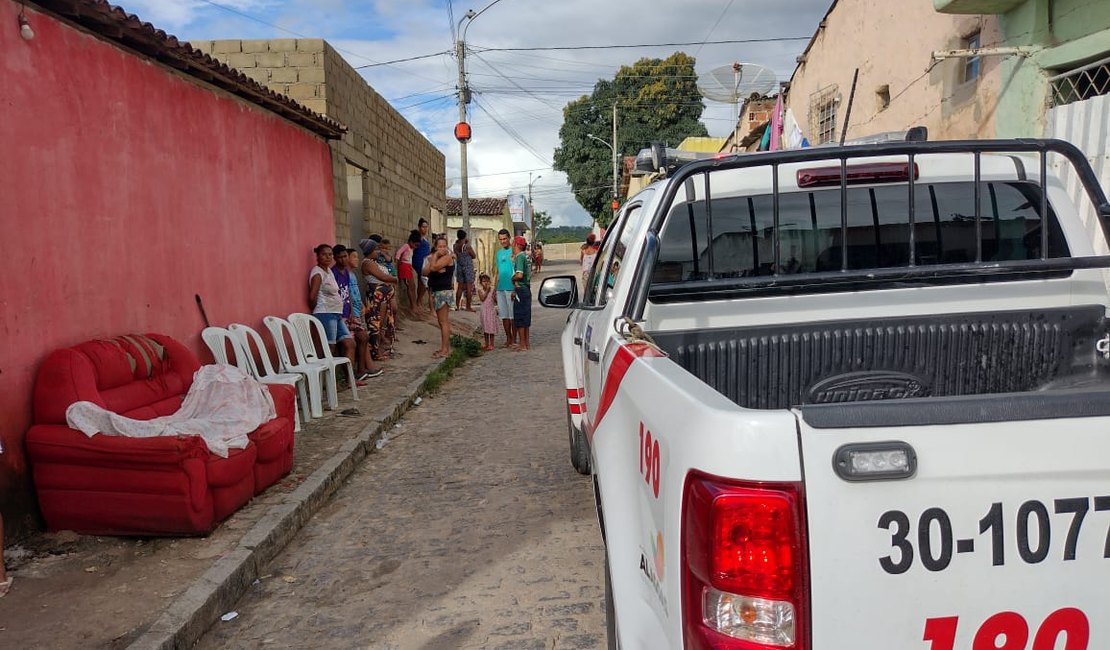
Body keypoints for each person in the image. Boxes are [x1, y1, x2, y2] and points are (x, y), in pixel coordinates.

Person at [308, 244, 365, 386]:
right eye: (324, 254)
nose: (328, 257)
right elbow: (312, 297)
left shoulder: (328, 271)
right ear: (318, 256)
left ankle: (349, 379)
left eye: (329, 254)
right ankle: (327, 383)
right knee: (330, 348)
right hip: (326, 313)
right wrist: (320, 311)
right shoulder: (317, 273)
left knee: (349, 343)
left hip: (336, 314)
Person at [360, 237, 399, 362]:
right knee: (375, 325)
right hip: (376, 299)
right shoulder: (367, 263)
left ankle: (378, 350)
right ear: (370, 250)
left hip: (381, 299)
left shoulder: (373, 261)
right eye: (376, 249)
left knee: (379, 324)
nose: (378, 252)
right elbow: (382, 276)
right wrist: (394, 279)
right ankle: (374, 352)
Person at [423, 235, 455, 358]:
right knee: (441, 322)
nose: (442, 248)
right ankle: (443, 348)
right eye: (439, 246)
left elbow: (433, 267)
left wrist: (434, 258)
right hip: (436, 291)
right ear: (435, 247)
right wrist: (433, 264)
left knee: (443, 321)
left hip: (443, 292)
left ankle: (445, 350)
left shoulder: (447, 258)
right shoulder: (434, 258)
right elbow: (425, 271)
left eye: (444, 246)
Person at [492, 228, 516, 347]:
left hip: (511, 288)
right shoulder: (498, 253)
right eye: (500, 239)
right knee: (504, 316)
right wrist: (494, 288)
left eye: (505, 239)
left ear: (509, 238)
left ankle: (514, 339)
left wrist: (516, 289)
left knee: (512, 316)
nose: (503, 241)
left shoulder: (514, 251)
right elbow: (497, 272)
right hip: (500, 288)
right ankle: (508, 338)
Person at [511, 235, 533, 351]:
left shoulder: (520, 257)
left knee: (519, 317)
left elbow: (519, 275)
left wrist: (513, 279)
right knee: (526, 317)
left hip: (521, 289)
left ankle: (522, 344)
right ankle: (526, 343)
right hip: (527, 289)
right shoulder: (526, 257)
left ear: (517, 245)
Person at [394, 229, 421, 318]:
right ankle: (413, 306)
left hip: (408, 266)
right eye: (415, 245)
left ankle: (414, 305)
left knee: (413, 286)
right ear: (411, 242)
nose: (416, 247)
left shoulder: (411, 248)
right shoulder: (406, 246)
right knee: (410, 286)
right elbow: (398, 254)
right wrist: (397, 268)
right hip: (404, 266)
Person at [453, 229, 477, 311]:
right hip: (468, 267)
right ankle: (468, 306)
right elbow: (474, 256)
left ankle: (457, 306)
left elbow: (456, 254)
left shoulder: (455, 245)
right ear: (465, 236)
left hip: (459, 266)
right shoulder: (467, 246)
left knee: (460, 287)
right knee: (469, 287)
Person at [412, 218, 432, 315]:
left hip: (425, 262)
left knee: (422, 282)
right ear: (419, 228)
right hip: (419, 261)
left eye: (426, 227)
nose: (425, 229)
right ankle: (418, 302)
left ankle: (419, 301)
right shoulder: (418, 238)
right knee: (424, 282)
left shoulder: (425, 238)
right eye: (423, 227)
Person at [477, 272, 498, 351]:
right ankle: (486, 343)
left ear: (490, 282)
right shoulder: (480, 290)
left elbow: (495, 301)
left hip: (491, 311)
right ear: (481, 283)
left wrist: (494, 296)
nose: (485, 283)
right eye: (483, 281)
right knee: (485, 328)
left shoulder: (492, 290)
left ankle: (492, 344)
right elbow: (482, 299)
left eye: (487, 281)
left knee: (491, 328)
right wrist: (487, 291)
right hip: (484, 312)